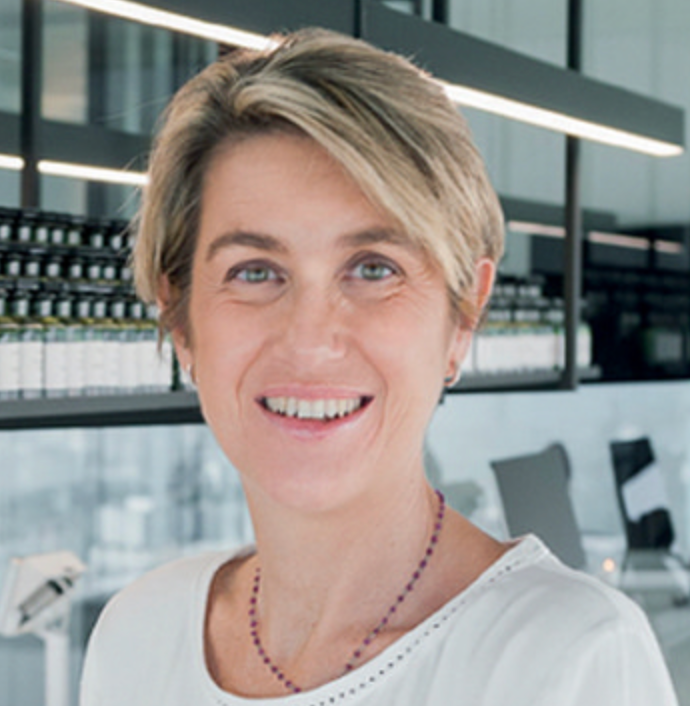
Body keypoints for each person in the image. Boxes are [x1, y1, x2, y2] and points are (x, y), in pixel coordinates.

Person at [80, 29, 678, 706]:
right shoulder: (136, 636)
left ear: (463, 315)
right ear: (179, 317)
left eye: (373, 269)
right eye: (254, 271)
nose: (310, 341)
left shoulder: (567, 657)